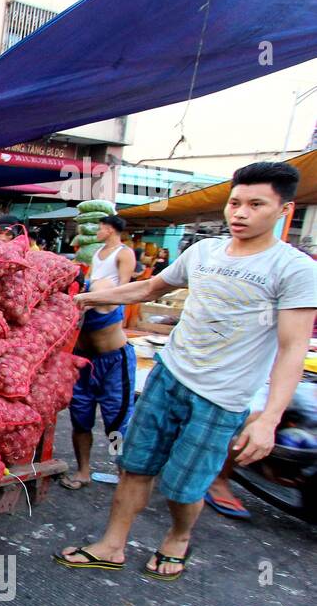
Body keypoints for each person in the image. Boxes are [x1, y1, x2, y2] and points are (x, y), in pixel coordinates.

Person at [55, 161, 317, 580]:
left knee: (183, 485)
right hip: (169, 376)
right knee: (135, 465)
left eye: (255, 204)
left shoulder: (295, 269)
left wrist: (269, 418)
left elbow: (291, 348)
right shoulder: (204, 251)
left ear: (283, 210)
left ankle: (177, 538)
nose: (240, 213)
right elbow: (150, 289)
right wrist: (84, 300)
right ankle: (112, 545)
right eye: (235, 202)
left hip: (221, 397)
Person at [61, 215, 137, 489]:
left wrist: (88, 301)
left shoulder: (103, 284)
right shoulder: (62, 301)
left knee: (116, 423)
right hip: (82, 363)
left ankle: (122, 472)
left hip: (114, 362)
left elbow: (121, 291)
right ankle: (83, 471)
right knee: (80, 419)